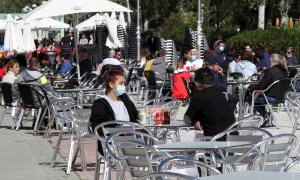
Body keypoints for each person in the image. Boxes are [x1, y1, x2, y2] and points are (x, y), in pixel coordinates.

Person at [89, 68, 139, 154]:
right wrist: (119, 131)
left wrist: (147, 114)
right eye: (121, 83)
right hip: (111, 143)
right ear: (111, 84)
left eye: (124, 83)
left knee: (150, 143)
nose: (124, 86)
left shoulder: (124, 98)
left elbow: (135, 114)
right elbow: (96, 127)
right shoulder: (100, 104)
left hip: (131, 138)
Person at [184, 67, 235, 137]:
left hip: (214, 141)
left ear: (196, 84)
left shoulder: (199, 96)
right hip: (233, 139)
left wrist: (195, 121)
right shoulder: (219, 94)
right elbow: (212, 114)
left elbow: (187, 119)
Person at [248, 54, 288, 126]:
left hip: (271, 97)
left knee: (249, 98)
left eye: (269, 61)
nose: (268, 63)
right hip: (281, 97)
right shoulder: (284, 71)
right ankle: (266, 115)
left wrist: (251, 90)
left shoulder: (271, 71)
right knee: (256, 94)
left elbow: (261, 85)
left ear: (275, 61)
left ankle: (265, 114)